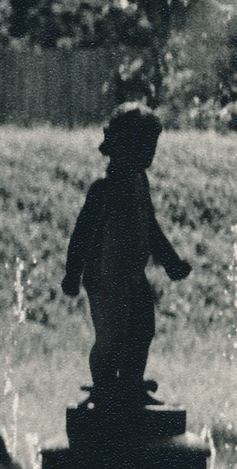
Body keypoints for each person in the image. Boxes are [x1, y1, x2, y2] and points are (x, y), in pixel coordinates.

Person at [60, 102, 192, 406]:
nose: (150, 153)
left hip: (133, 275)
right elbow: (81, 235)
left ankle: (132, 383)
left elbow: (151, 227)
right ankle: (104, 386)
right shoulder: (103, 190)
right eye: (144, 146)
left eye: (152, 147)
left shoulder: (139, 183)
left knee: (143, 328)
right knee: (112, 336)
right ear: (121, 145)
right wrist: (72, 274)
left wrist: (171, 261)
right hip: (106, 279)